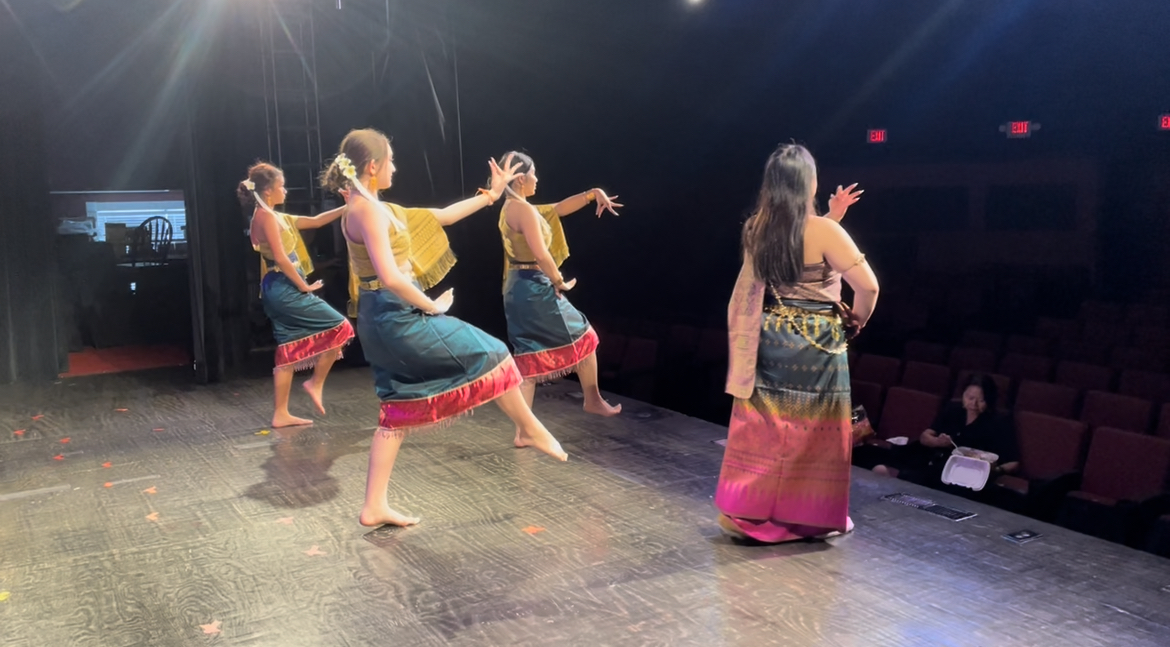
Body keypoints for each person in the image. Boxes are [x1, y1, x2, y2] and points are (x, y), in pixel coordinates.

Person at [322, 129, 567, 528]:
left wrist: (491, 195)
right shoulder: (366, 211)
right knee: (495, 353)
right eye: (391, 160)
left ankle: (374, 506)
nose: (395, 167)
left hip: (385, 314)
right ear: (373, 166)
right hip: (394, 316)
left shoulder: (375, 207)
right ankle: (530, 428)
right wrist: (432, 305)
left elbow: (444, 216)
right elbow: (390, 276)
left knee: (397, 406)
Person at [715, 143, 876, 543]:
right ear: (810, 183)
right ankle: (809, 518)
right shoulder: (824, 232)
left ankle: (749, 511)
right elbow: (868, 287)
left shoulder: (756, 227)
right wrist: (856, 322)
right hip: (817, 342)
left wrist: (832, 217)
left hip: (770, 335)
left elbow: (791, 249)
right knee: (813, 432)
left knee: (769, 428)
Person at [496, 151, 622, 448]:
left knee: (527, 355)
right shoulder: (523, 211)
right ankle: (592, 399)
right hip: (533, 286)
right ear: (522, 178)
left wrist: (592, 194)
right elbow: (541, 253)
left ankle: (524, 431)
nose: (537, 179)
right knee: (585, 336)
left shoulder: (511, 208)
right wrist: (558, 280)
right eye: (534, 174)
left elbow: (558, 208)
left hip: (517, 287)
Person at [240, 162, 354, 428]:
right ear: (268, 191)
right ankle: (315, 383)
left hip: (277, 286)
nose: (285, 191)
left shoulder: (271, 215)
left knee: (288, 346)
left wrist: (347, 206)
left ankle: (281, 413)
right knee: (341, 327)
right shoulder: (266, 217)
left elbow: (316, 221)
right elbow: (280, 257)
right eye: (281, 186)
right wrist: (304, 286)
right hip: (283, 286)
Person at [873, 374, 1020, 485]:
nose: (973, 404)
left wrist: (995, 470)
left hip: (964, 472)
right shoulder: (953, 408)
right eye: (969, 398)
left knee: (925, 476)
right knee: (887, 457)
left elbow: (1013, 462)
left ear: (989, 400)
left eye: (981, 400)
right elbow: (926, 436)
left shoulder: (999, 421)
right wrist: (937, 442)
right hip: (935, 456)